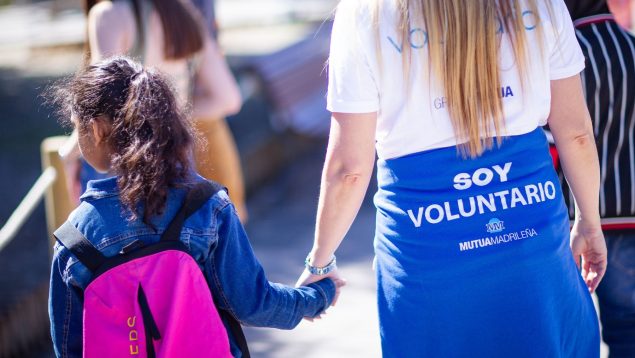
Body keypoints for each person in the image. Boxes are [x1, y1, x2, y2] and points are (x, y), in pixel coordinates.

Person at [296, 0, 608, 356]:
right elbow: (577, 134)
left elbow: (348, 170)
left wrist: (320, 261)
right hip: (530, 239)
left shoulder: (364, 13)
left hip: (426, 256)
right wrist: (589, 222)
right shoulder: (540, 4)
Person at [48, 57, 343, 357]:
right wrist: (316, 296)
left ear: (96, 130)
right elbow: (253, 304)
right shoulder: (205, 205)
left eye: (77, 127)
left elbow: (69, 346)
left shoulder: (75, 239)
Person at [64, 0, 248, 222]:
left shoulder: (110, 15)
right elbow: (228, 99)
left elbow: (100, 101)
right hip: (178, 161)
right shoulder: (182, 14)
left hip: (125, 166)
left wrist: (68, 155)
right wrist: (169, 114)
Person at [557, 1, 635, 356]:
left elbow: (557, 141)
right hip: (631, 215)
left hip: (578, 223)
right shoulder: (632, 47)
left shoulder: (565, 58)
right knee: (629, 331)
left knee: (570, 335)